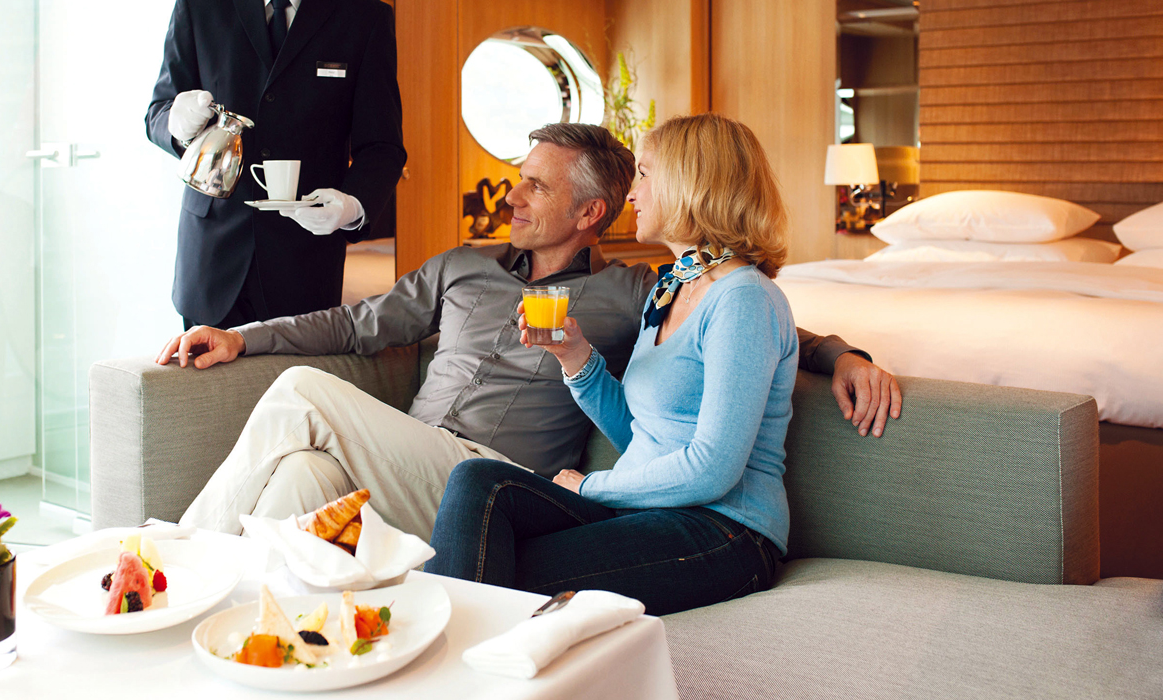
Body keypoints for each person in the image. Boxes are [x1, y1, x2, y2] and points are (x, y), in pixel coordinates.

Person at [156, 123, 901, 543]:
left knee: (301, 398)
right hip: (407, 461)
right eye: (520, 177)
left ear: (590, 214)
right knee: (298, 483)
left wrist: (844, 355)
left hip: (493, 481)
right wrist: (245, 336)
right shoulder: (460, 267)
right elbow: (358, 322)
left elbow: (758, 326)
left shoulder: (636, 293)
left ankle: (169, 559)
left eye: (536, 185)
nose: (511, 196)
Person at [425, 114, 799, 615]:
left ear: (692, 183)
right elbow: (637, 434)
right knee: (478, 480)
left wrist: (591, 486)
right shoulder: (670, 289)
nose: (632, 195)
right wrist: (575, 357)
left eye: (645, 174)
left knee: (492, 569)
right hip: (643, 511)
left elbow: (713, 470)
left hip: (722, 528)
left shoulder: (744, 299)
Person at [146, 0, 406, 330]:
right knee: (209, 383)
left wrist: (352, 204)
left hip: (306, 264)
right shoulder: (199, 6)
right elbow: (157, 111)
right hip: (211, 259)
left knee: (295, 383)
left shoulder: (364, 16)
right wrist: (175, 122)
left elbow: (383, 146)